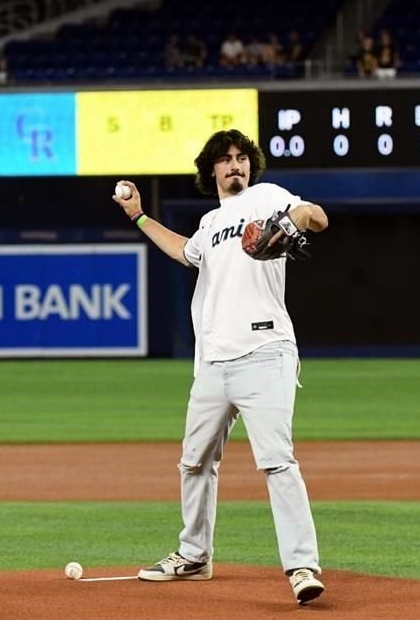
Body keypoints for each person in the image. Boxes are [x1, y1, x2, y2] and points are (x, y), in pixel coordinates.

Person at [111, 129, 329, 605]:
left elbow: (317, 216)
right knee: (194, 461)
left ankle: (302, 567)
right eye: (226, 160)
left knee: (277, 461)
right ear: (211, 170)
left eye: (242, 158)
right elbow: (182, 250)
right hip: (212, 360)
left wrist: (292, 220)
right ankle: (194, 555)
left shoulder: (267, 197)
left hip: (266, 350)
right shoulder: (211, 223)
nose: (236, 165)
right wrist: (139, 215)